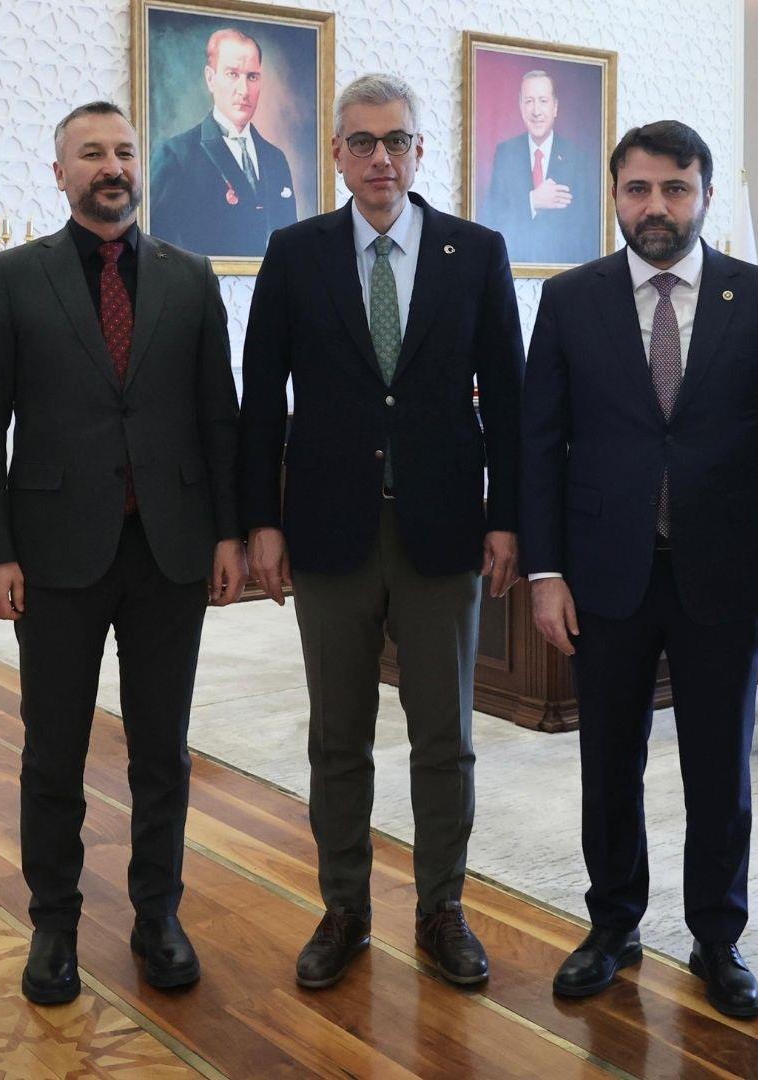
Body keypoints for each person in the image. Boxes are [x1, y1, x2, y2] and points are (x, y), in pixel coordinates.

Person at [519, 120, 758, 1014]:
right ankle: (613, 925)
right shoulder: (569, 299)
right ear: (615, 195)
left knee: (718, 767)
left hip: (724, 576)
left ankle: (717, 938)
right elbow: (540, 445)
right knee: (609, 762)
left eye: (676, 189)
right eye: (639, 189)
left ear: (706, 196)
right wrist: (545, 571)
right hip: (604, 574)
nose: (657, 207)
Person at [237, 72, 524, 991]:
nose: (380, 158)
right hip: (330, 533)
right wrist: (261, 521)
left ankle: (442, 909)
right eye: (361, 142)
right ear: (336, 154)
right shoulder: (295, 254)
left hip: (443, 532)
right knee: (338, 736)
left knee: (445, 736)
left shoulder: (476, 254)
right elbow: (259, 401)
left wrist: (509, 518)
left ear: (419, 150)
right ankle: (345, 910)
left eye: (396, 140)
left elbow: (510, 403)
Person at [0, 101, 243, 1004]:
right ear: (61, 174)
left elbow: (219, 415)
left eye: (123, 151)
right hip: (53, 555)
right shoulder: (13, 277)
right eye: (91, 153)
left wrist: (228, 534)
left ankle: (159, 916)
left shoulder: (190, 277)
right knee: (53, 753)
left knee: (164, 751)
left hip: (170, 551)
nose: (111, 166)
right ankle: (54, 926)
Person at [148, 27, 299, 256]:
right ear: (210, 78)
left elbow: (291, 247)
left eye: (252, 76)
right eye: (232, 74)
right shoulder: (175, 155)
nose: (244, 90)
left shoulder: (275, 158)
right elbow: (157, 252)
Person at [481, 69, 601, 265]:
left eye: (543, 101)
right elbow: (491, 216)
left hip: (564, 271)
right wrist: (532, 201)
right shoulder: (505, 153)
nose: (536, 111)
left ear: (555, 107)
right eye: (529, 101)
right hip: (513, 266)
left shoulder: (578, 159)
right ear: (521, 107)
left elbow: (587, 229)